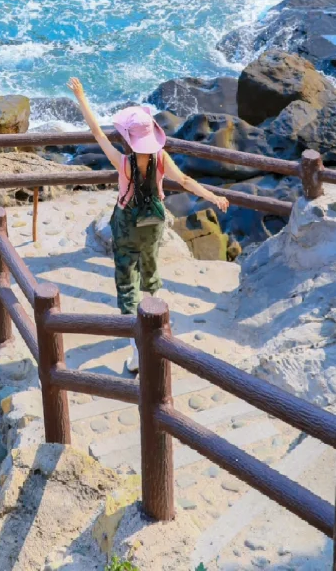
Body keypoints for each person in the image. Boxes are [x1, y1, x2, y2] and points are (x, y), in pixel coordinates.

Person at [68, 76, 229, 374]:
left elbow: (95, 131)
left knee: (127, 279)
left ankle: (136, 349)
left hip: (126, 220)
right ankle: (154, 328)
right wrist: (213, 196)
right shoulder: (160, 156)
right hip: (154, 219)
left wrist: (81, 95)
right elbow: (184, 181)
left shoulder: (124, 163)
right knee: (151, 270)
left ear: (130, 140)